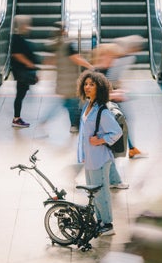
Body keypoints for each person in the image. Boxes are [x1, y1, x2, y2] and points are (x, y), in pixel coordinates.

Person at [77, 70, 123, 235]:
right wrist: (81, 154)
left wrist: (100, 139)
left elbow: (117, 132)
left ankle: (108, 224)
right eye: (86, 84)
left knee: (101, 192)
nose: (87, 87)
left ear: (100, 88)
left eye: (92, 84)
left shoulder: (102, 111)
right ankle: (100, 221)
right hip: (90, 158)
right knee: (93, 192)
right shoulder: (88, 106)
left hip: (100, 158)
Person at [92, 38, 147, 159]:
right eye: (111, 57)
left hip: (110, 107)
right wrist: (116, 94)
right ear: (103, 56)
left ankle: (131, 149)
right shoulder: (97, 73)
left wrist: (118, 91)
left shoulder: (106, 69)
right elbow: (94, 96)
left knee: (124, 123)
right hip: (102, 113)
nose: (114, 61)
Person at [41, 21, 93, 132]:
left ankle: (73, 125)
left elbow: (51, 61)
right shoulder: (68, 44)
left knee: (67, 103)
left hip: (61, 79)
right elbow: (76, 58)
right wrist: (89, 65)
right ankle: (73, 125)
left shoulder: (55, 45)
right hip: (70, 81)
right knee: (72, 104)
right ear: (64, 31)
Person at [11, 15, 40, 128]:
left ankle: (17, 117)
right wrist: (30, 64)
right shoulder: (17, 38)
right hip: (21, 72)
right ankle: (16, 118)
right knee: (20, 95)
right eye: (27, 24)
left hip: (23, 72)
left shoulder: (19, 38)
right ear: (22, 25)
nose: (29, 27)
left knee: (20, 94)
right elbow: (17, 55)